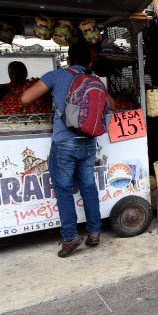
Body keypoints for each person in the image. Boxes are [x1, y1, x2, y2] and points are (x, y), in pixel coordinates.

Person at [21, 44, 103, 257]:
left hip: (64, 141)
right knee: (88, 186)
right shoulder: (95, 79)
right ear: (90, 63)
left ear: (67, 59)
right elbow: (109, 104)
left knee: (64, 189)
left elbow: (25, 98)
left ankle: (70, 236)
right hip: (89, 141)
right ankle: (94, 232)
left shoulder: (56, 75)